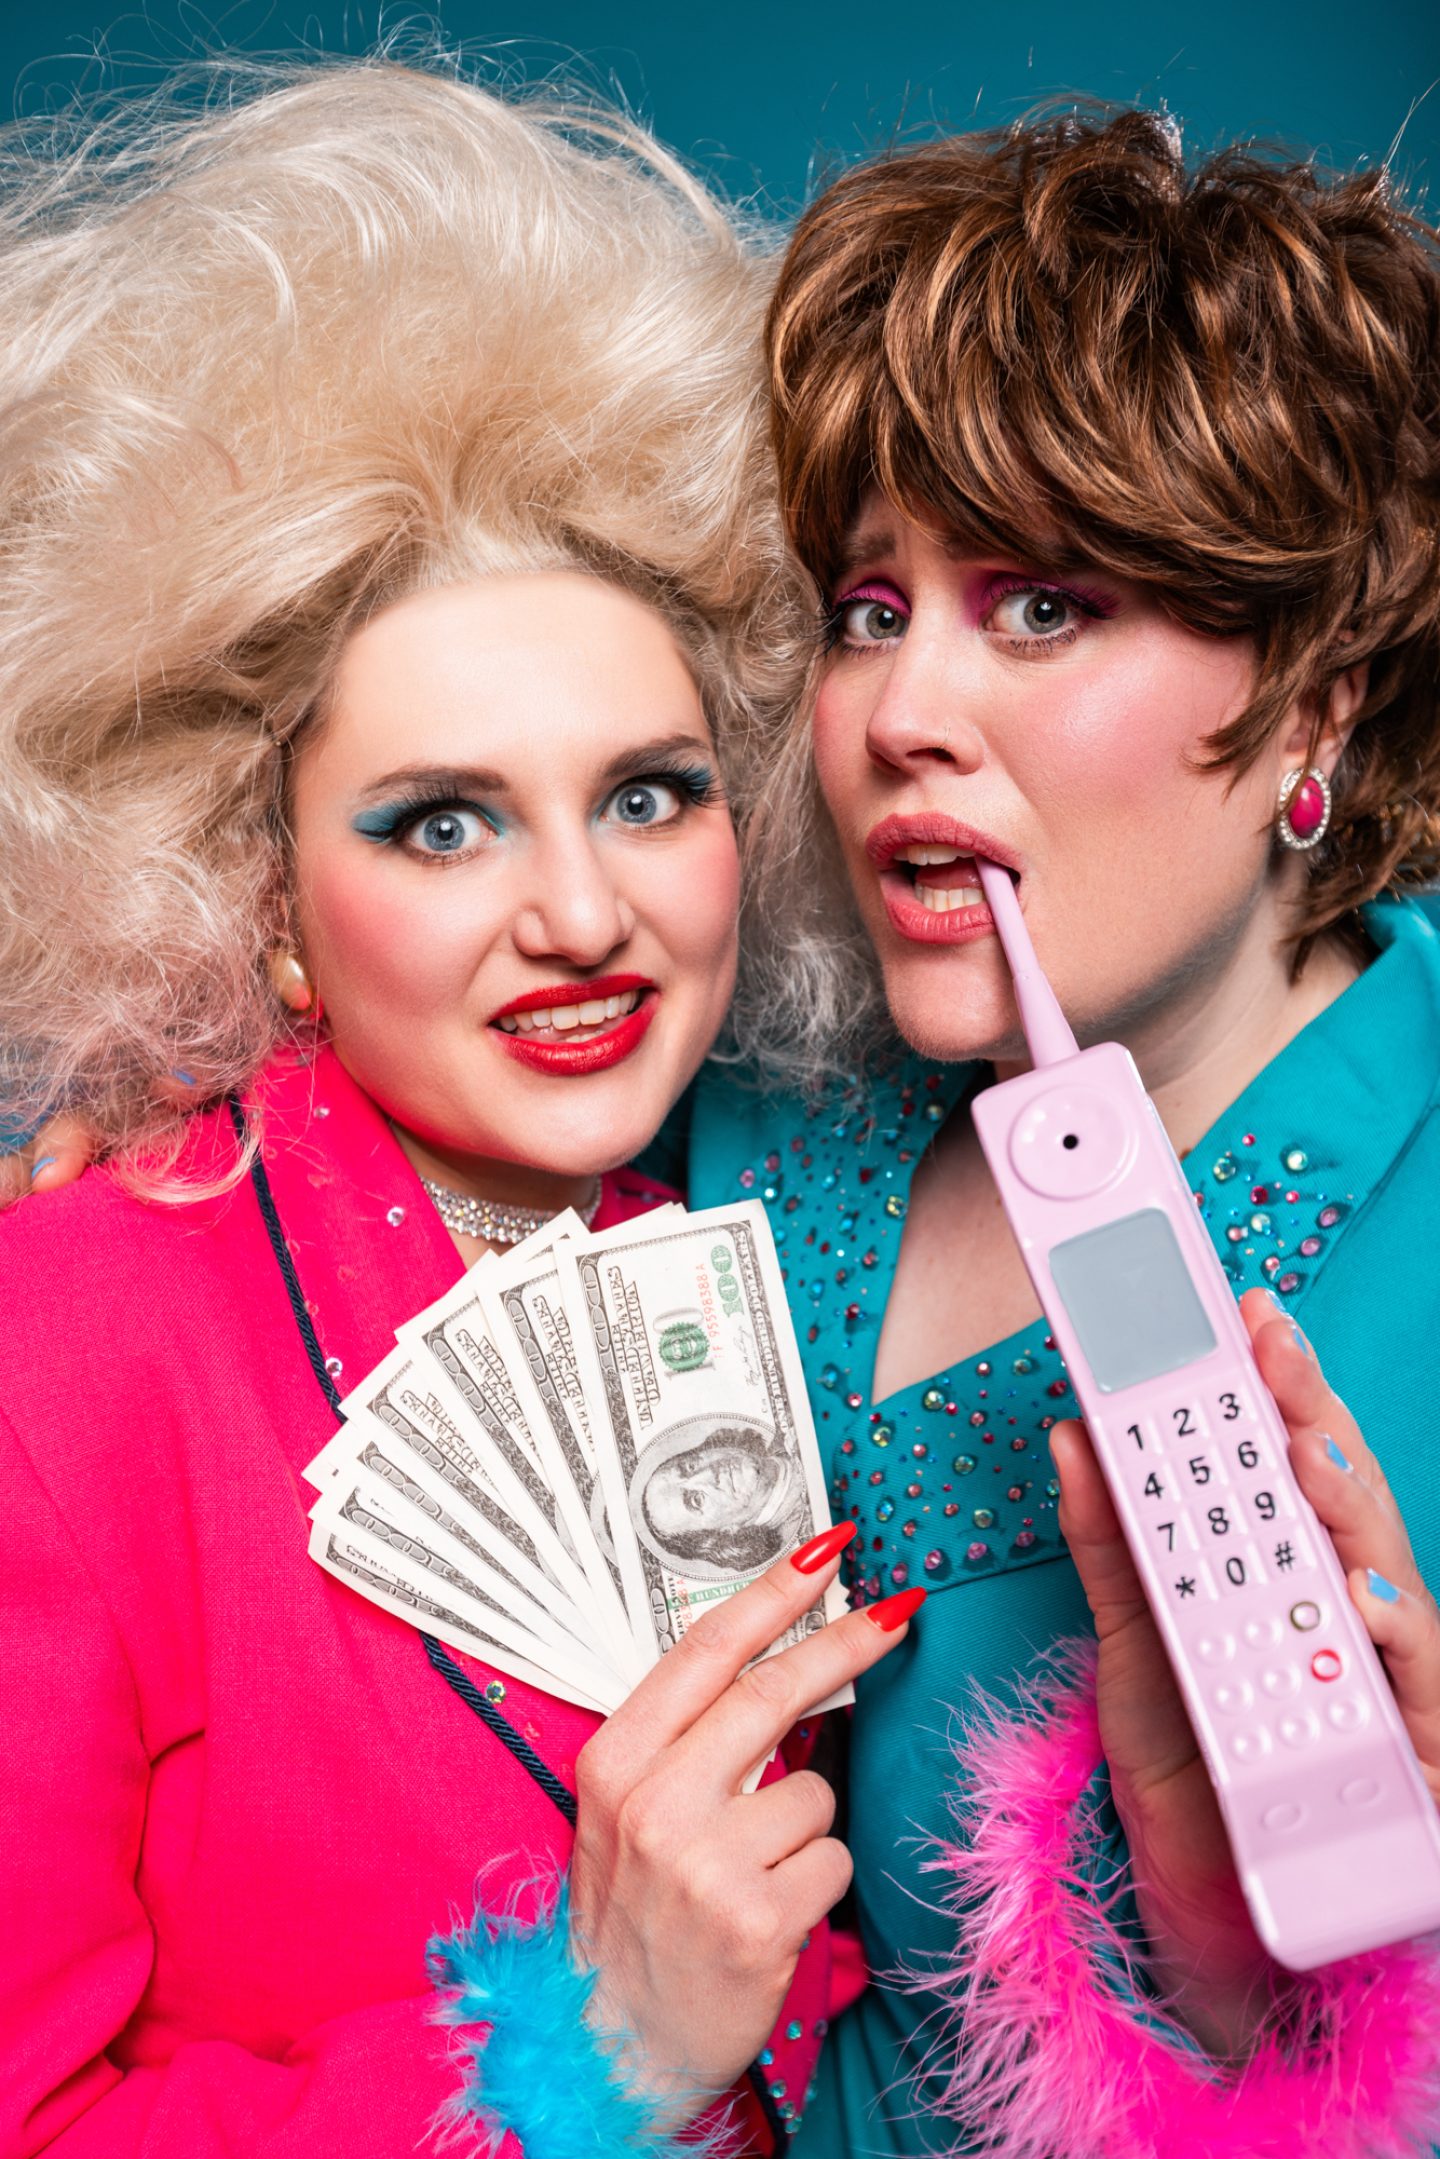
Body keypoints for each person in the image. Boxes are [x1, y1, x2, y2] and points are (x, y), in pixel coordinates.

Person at [0, 61, 922, 2158]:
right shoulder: (54, 1350)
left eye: (650, 793)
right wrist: (581, 2059)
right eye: (441, 825)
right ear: (263, 893)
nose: (585, 915)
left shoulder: (805, 1243)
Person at [680, 109, 1440, 2156]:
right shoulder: (756, 1102)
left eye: (1042, 604)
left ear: (1317, 696)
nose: (903, 710)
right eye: (867, 604)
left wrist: (1291, 1997)